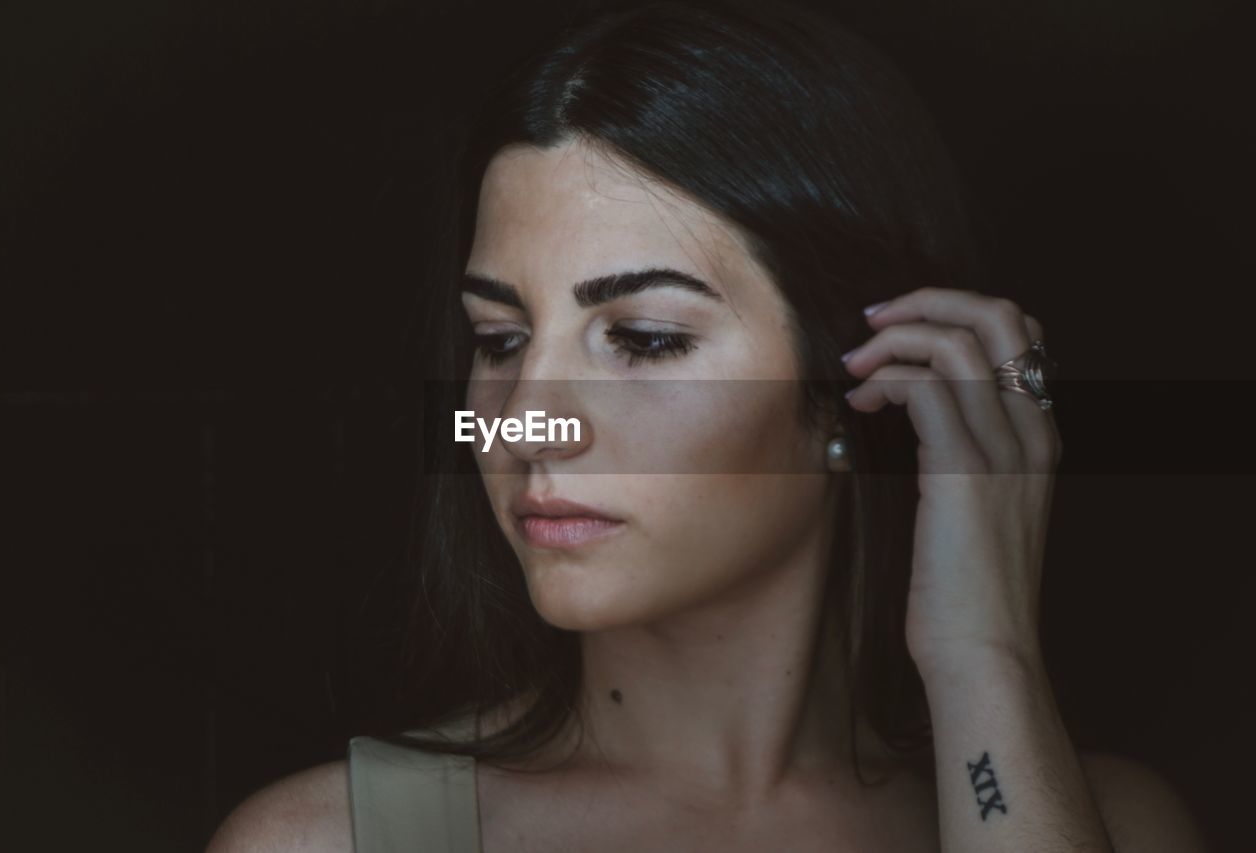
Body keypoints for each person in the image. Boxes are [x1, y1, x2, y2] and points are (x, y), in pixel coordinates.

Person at [206, 1, 1209, 850]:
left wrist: (983, 653)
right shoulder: (330, 840)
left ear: (855, 383)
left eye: (641, 339)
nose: (526, 425)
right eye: (501, 340)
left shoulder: (1106, 821)